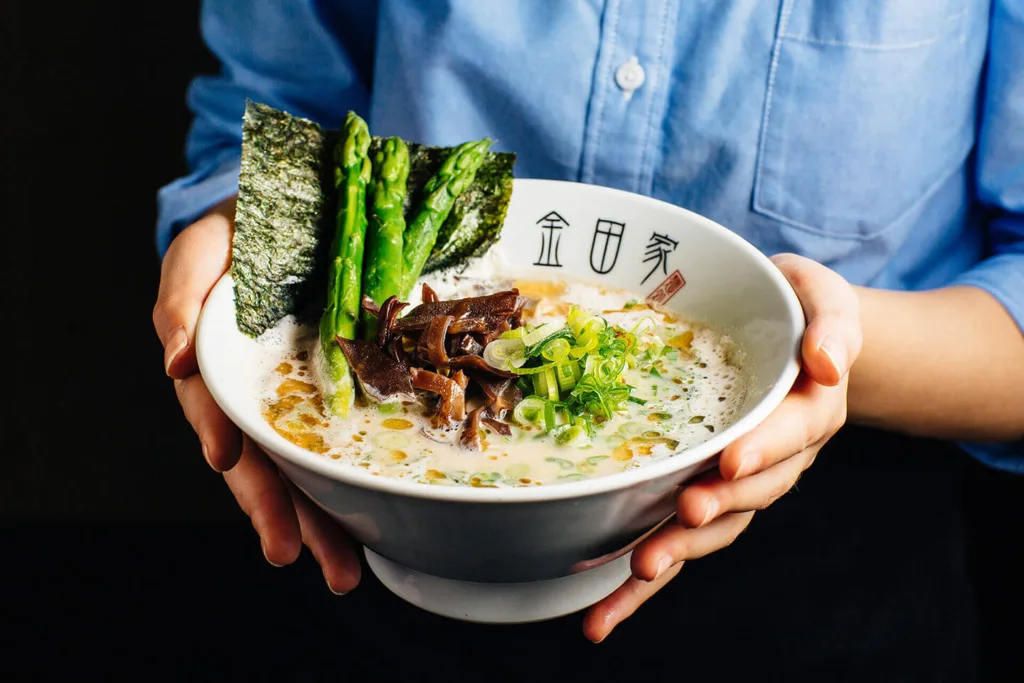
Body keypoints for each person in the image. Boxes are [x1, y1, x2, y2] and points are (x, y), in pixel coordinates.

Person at [153, 1, 1023, 680]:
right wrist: (226, 251)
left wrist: (826, 349)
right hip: (355, 532)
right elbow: (274, 111)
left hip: (835, 575)